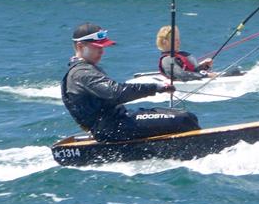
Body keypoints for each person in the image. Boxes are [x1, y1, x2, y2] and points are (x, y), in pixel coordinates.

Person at [61, 22, 200, 142]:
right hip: (112, 128)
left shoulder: (84, 70)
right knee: (185, 119)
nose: (102, 52)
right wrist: (156, 87)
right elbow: (116, 92)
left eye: (103, 47)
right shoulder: (81, 73)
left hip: (116, 123)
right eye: (98, 47)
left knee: (184, 116)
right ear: (80, 47)